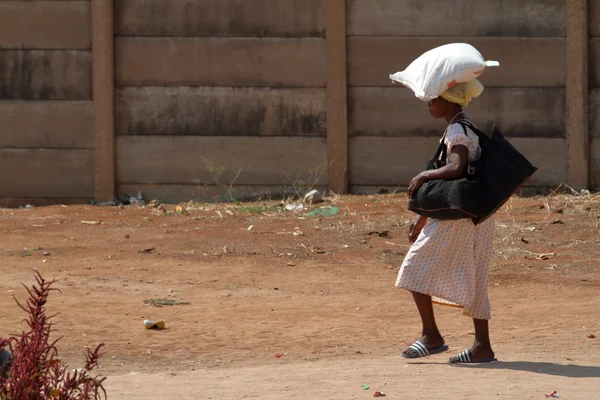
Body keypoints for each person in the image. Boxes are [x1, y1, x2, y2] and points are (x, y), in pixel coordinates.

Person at [396, 79, 497, 364]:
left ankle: (432, 336)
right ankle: (482, 346)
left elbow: (456, 168)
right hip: (477, 215)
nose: (429, 105)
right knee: (477, 275)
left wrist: (423, 176)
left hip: (458, 218)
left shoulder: (456, 130)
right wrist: (421, 219)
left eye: (433, 100)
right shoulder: (468, 127)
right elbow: (453, 185)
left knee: (413, 267)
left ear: (449, 101)